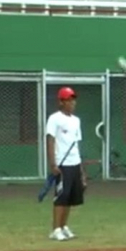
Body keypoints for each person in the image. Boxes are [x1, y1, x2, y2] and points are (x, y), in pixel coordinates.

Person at [45, 86, 86, 242]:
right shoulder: (54, 118)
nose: (72, 103)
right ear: (61, 102)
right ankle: (55, 229)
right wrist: (53, 164)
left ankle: (63, 226)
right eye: (69, 100)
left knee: (70, 198)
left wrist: (81, 171)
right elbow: (50, 140)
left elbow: (76, 144)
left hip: (74, 163)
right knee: (61, 197)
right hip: (62, 164)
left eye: (73, 99)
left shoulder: (76, 121)